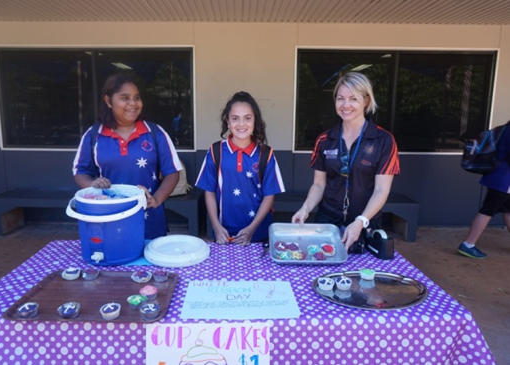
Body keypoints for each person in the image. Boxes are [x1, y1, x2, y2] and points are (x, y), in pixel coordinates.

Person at [292, 72, 400, 251]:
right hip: (327, 223)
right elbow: (319, 185)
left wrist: (361, 221)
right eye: (340, 98)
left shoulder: (384, 140)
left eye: (353, 99)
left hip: (365, 224)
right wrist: (305, 209)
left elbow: (381, 189)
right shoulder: (325, 139)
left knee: (362, 275)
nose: (346, 105)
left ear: (366, 101)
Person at [72, 71, 183, 239]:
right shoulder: (94, 135)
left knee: (150, 263)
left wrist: (157, 199)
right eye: (125, 98)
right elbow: (80, 171)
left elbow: (172, 172)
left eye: (137, 98)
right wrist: (92, 184)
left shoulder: (155, 132)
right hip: (109, 219)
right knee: (113, 260)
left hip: (149, 221)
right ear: (108, 101)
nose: (133, 103)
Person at [195, 91, 285, 245]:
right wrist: (216, 227)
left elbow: (269, 196)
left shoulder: (266, 154)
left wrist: (251, 229)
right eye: (235, 118)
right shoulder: (215, 151)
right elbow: (209, 191)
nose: (241, 124)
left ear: (255, 121)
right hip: (224, 233)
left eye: (247, 118)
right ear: (228, 122)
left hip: (258, 234)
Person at [458, 121, 510, 258]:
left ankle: (468, 244)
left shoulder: (503, 129)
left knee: (508, 211)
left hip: (497, 176)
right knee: (487, 211)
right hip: (504, 181)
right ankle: (468, 244)